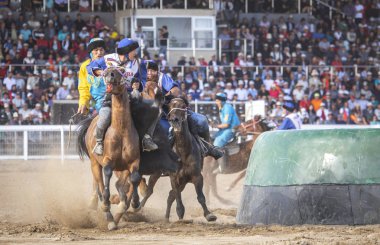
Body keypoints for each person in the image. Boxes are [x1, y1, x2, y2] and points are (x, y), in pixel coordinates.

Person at [86, 38, 158, 153]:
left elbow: (142, 81)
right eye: (134, 51)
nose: (135, 53)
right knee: (105, 116)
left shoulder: (139, 63)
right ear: (126, 51)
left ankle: (147, 138)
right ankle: (99, 141)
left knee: (154, 110)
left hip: (131, 96)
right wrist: (101, 72)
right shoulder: (108, 58)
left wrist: (138, 84)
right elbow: (89, 67)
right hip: (111, 96)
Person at [145, 61, 223, 160]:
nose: (150, 73)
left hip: (170, 110)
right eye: (148, 71)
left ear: (157, 71)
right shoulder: (140, 78)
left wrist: (164, 96)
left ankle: (207, 148)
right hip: (150, 113)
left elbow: (176, 90)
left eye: (153, 70)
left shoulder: (162, 77)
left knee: (202, 120)